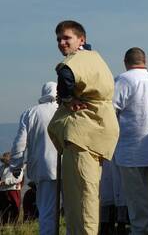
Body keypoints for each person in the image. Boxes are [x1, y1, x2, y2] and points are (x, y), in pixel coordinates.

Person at [47, 20, 119, 234]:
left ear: (81, 39)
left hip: (82, 134)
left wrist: (68, 98)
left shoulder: (77, 60)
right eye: (58, 39)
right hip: (96, 130)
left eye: (66, 38)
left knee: (81, 195)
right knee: (87, 191)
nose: (61, 42)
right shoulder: (94, 58)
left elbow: (66, 73)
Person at [113, 47, 148, 234]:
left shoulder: (125, 79)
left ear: (125, 62)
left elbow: (110, 109)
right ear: (145, 61)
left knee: (135, 197)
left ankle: (139, 230)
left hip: (131, 146)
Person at [10, 81, 58, 234]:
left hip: (43, 167)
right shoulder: (65, 109)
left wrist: (16, 166)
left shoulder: (30, 113)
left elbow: (19, 144)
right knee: (71, 210)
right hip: (69, 165)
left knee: (46, 210)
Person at [0, 152, 23, 224]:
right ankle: (4, 226)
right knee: (3, 211)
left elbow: (18, 179)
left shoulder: (17, 167)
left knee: (14, 210)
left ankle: (13, 226)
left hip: (13, 190)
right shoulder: (2, 167)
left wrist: (4, 182)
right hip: (2, 191)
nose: (4, 161)